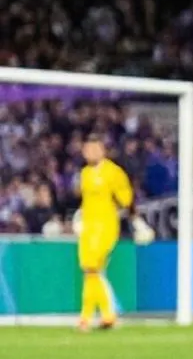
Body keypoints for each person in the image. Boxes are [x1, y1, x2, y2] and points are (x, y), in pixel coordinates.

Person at [75, 135, 135, 332]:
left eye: (94, 149)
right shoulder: (85, 173)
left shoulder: (113, 172)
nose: (90, 153)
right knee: (90, 272)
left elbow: (126, 199)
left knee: (92, 269)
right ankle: (105, 316)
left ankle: (88, 317)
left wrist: (135, 219)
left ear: (102, 150)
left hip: (106, 227)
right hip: (88, 228)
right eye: (87, 150)